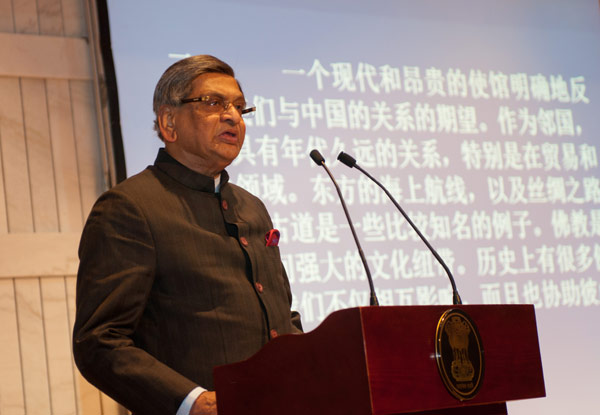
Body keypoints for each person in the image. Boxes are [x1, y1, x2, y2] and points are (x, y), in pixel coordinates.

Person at [72, 55, 302, 415]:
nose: (232, 116)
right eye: (213, 103)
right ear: (169, 122)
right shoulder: (130, 207)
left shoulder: (251, 207)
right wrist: (192, 402)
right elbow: (99, 341)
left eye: (239, 107)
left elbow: (279, 316)